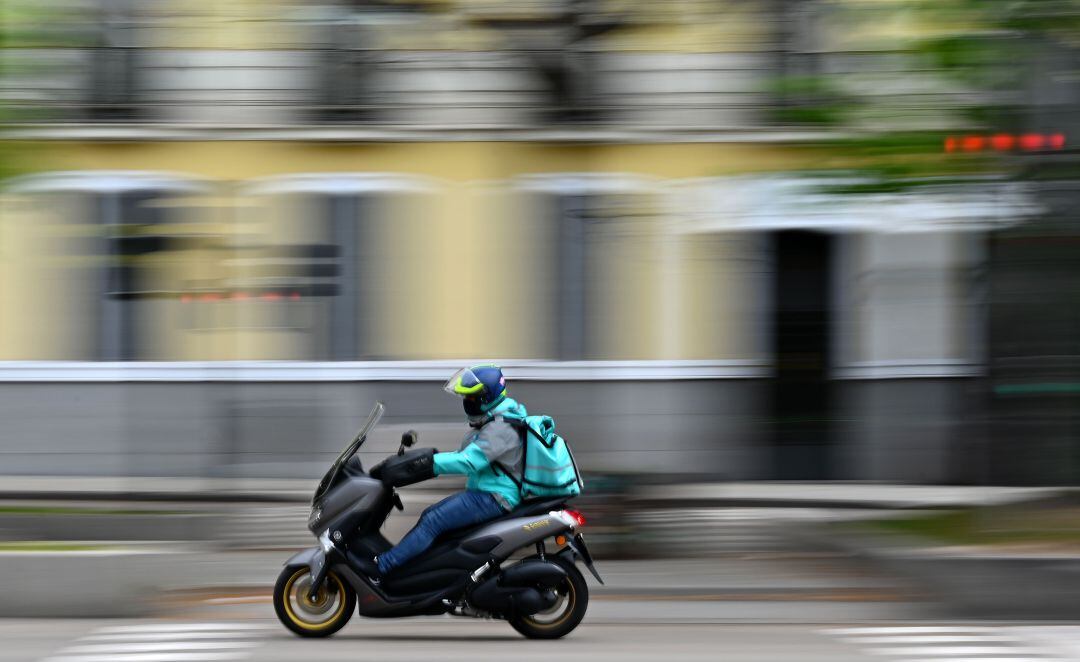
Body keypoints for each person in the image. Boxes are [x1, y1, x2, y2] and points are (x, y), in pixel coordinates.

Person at [370, 364, 526, 578]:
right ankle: (424, 573)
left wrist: (429, 463)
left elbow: (469, 462)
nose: (466, 402)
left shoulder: (501, 427)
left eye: (471, 397)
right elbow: (469, 454)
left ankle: (382, 567)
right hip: (487, 492)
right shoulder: (494, 419)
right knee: (431, 516)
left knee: (433, 520)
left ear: (487, 396)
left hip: (495, 497)